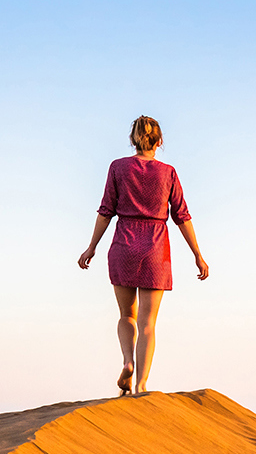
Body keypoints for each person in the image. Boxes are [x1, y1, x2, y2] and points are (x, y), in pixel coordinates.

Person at [78, 116, 209, 395]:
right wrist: (198, 255)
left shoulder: (117, 168)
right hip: (155, 248)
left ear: (133, 140)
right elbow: (182, 217)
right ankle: (141, 384)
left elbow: (105, 212)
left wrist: (91, 248)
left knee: (127, 315)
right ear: (159, 142)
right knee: (148, 322)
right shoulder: (168, 173)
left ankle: (127, 362)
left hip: (123, 245)